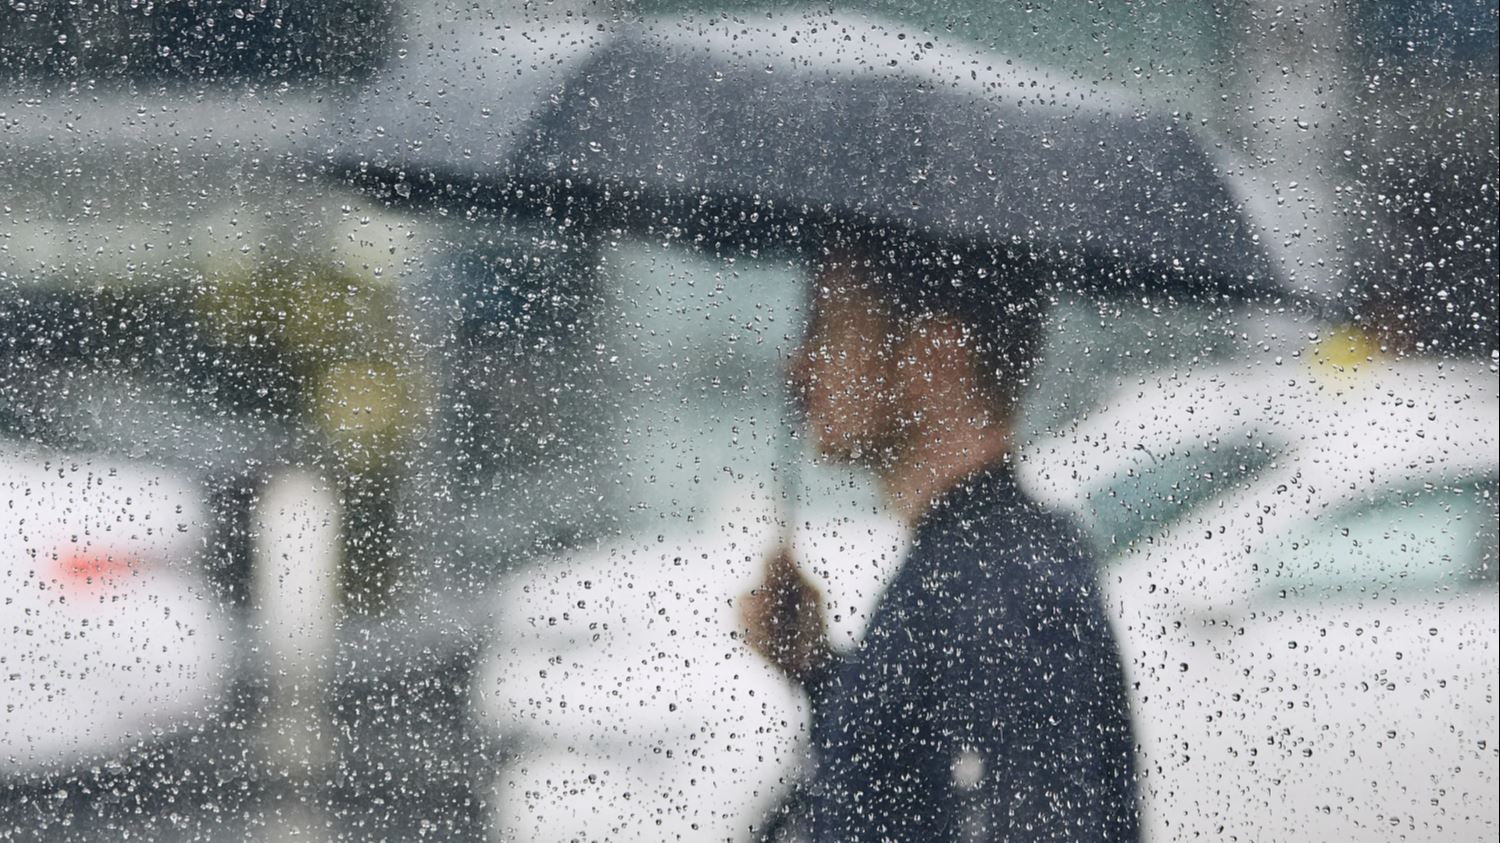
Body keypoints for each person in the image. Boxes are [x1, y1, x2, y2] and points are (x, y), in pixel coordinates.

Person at [742, 234, 1139, 842]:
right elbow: (915, 790)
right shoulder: (971, 561)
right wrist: (817, 669)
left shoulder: (1006, 588)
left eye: (830, 327)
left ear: (936, 356)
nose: (796, 366)